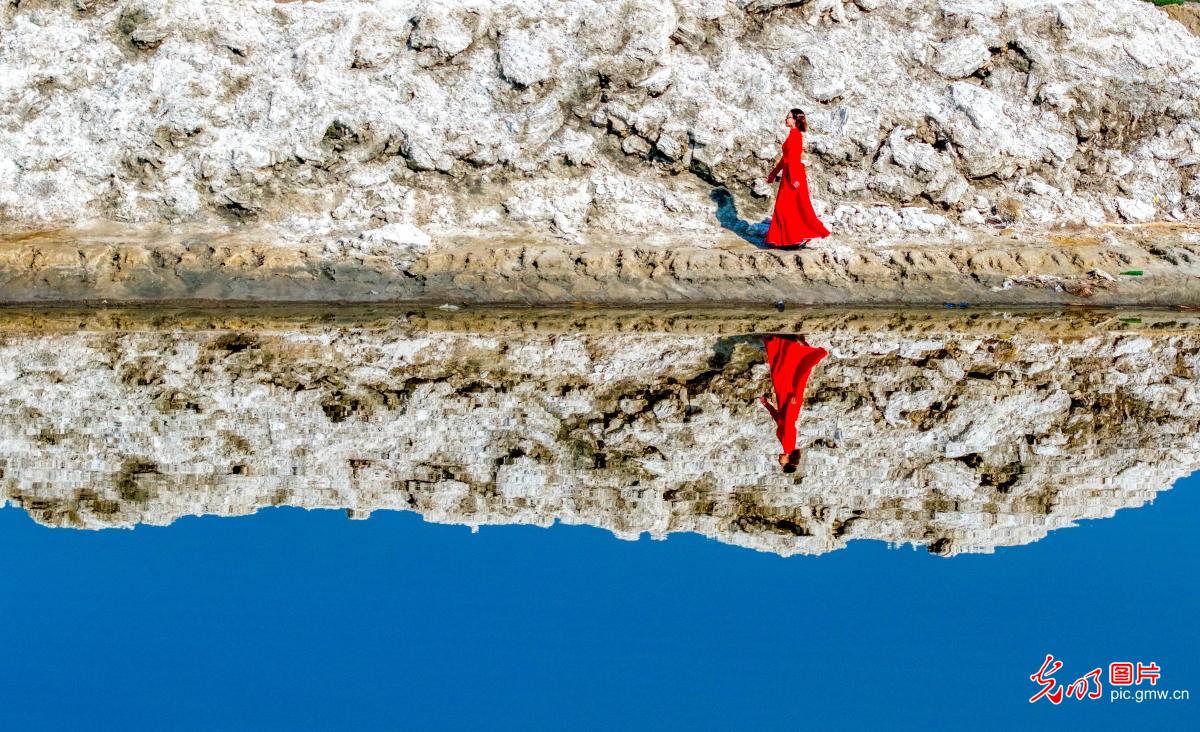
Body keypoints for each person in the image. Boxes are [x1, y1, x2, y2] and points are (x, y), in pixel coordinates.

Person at [758, 335, 828, 472]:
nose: (780, 461)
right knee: (785, 376)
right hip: (789, 405)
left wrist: (766, 404)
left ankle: (788, 346)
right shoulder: (788, 446)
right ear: (788, 460)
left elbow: (779, 420)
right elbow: (789, 423)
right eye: (782, 464)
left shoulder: (787, 446)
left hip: (786, 406)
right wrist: (790, 404)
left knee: (784, 376)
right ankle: (784, 346)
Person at [764, 108, 830, 248]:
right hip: (790, 174)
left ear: (794, 120)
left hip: (793, 175)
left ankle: (796, 238)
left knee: (793, 207)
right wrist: (774, 173)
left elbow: (793, 159)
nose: (785, 119)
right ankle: (790, 239)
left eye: (788, 117)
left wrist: (793, 178)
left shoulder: (796, 136)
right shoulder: (792, 134)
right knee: (787, 208)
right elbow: (786, 159)